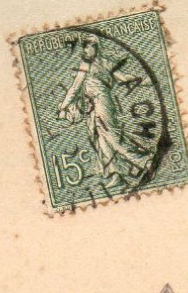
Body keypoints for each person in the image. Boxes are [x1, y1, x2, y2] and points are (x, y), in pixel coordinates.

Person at [57, 33, 153, 191]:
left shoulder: (87, 65)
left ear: (96, 48)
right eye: (85, 47)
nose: (87, 49)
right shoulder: (105, 63)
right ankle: (115, 175)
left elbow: (75, 88)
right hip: (95, 105)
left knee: (112, 137)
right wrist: (139, 79)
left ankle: (144, 161)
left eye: (90, 46)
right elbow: (122, 78)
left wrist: (63, 106)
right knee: (100, 141)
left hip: (101, 103)